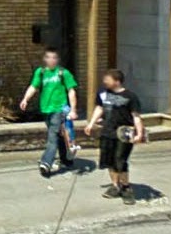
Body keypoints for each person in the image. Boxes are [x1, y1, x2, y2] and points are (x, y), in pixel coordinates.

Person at [85, 69, 144, 205]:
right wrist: (91, 123)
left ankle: (125, 187)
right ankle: (115, 186)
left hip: (124, 134)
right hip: (107, 132)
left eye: (108, 79)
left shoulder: (130, 96)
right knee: (109, 161)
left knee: (120, 160)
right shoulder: (103, 93)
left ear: (117, 81)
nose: (105, 81)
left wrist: (139, 133)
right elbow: (99, 108)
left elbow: (136, 116)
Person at [19, 48, 79, 178]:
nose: (51, 60)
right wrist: (25, 99)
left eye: (54, 58)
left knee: (52, 136)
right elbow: (33, 87)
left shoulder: (63, 73)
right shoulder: (40, 72)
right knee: (58, 135)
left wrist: (73, 109)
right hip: (46, 109)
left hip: (59, 109)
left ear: (57, 60)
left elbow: (71, 91)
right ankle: (66, 160)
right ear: (45, 59)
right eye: (49, 57)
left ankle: (46, 163)